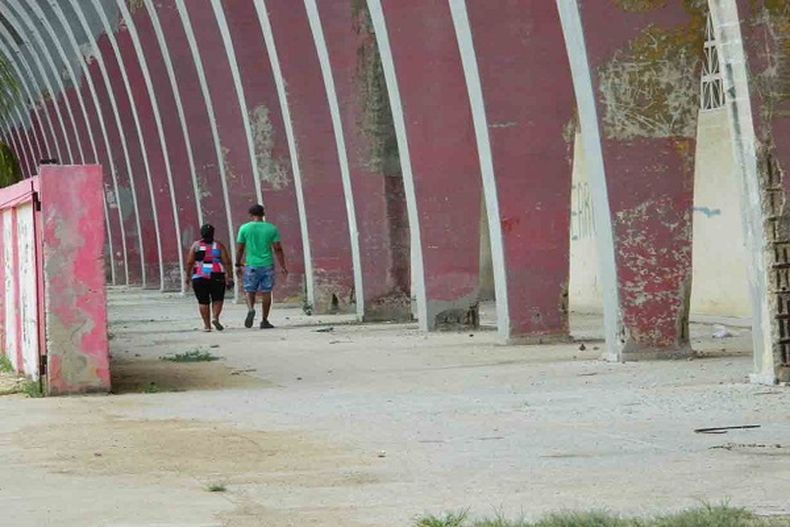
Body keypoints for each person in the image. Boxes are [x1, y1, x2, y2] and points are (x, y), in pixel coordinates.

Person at [235, 204, 288, 329]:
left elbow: (240, 248)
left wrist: (237, 264)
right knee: (266, 292)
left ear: (250, 215)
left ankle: (251, 309)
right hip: (267, 264)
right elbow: (277, 249)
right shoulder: (272, 229)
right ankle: (264, 320)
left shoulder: (244, 228)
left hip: (251, 265)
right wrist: (283, 266)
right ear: (263, 214)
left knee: (249, 290)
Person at [185, 224, 233, 332]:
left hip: (200, 275)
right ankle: (215, 317)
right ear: (213, 233)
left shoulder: (196, 245)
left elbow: (189, 262)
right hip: (217, 274)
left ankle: (207, 326)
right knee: (217, 298)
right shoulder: (218, 245)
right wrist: (230, 275)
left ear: (201, 233)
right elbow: (227, 261)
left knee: (203, 301)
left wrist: (187, 275)